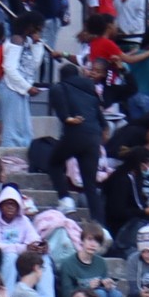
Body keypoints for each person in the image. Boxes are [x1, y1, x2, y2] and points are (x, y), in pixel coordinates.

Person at [47, 63, 108, 222]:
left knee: (54, 163)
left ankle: (65, 199)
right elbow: (102, 120)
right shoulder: (91, 90)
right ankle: (100, 225)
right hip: (94, 137)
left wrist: (67, 118)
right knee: (90, 185)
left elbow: (62, 110)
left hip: (75, 134)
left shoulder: (60, 87)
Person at [0, 185, 41, 292]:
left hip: (22, 256)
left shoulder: (24, 220)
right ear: (0, 204)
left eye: (14, 204)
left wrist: (38, 246)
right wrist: (24, 248)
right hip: (0, 258)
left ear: (19, 207)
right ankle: (7, 296)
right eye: (7, 203)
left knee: (44, 258)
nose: (10, 207)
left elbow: (34, 238)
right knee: (11, 256)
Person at [0, 13, 45, 149]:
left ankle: (21, 161)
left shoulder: (27, 42)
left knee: (24, 129)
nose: (39, 32)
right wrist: (27, 87)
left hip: (21, 89)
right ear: (30, 26)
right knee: (12, 130)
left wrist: (38, 44)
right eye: (38, 29)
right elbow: (9, 68)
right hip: (10, 88)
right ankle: (8, 162)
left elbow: (34, 65)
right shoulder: (16, 40)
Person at [57, 222, 124, 297]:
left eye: (97, 241)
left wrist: (107, 285)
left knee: (116, 295)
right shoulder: (68, 264)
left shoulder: (100, 262)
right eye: (89, 239)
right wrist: (87, 288)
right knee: (100, 295)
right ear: (82, 241)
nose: (93, 244)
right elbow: (67, 296)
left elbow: (102, 284)